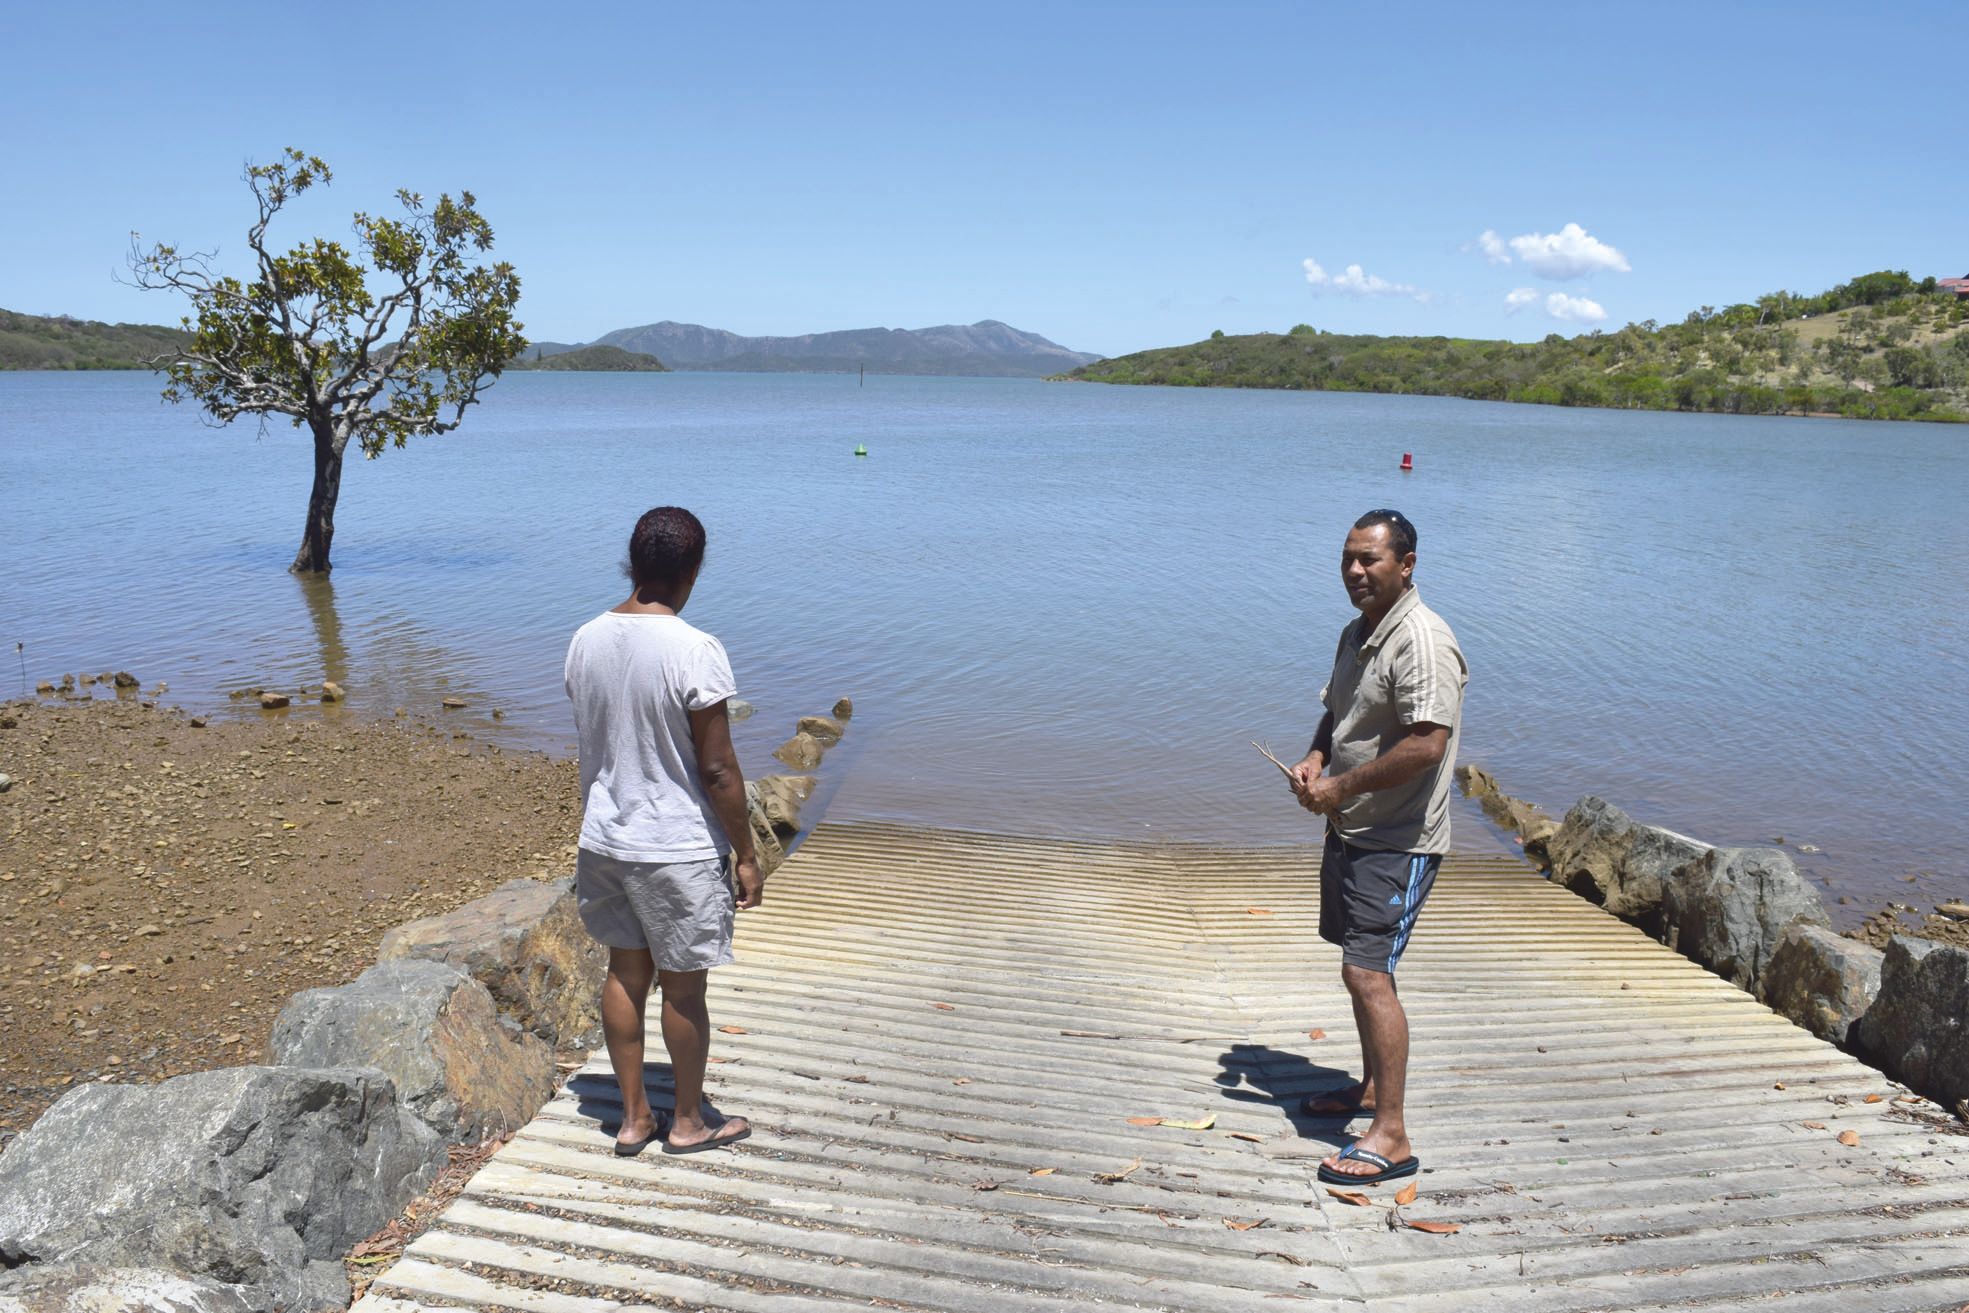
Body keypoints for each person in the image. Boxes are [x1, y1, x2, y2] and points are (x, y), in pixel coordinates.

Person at [564, 506, 764, 1156]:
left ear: (633, 560)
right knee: (682, 986)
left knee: (624, 973)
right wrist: (747, 850)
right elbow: (717, 767)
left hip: (604, 837)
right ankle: (685, 1121)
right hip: (673, 847)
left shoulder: (585, 637)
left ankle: (630, 1119)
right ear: (693, 567)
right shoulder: (694, 648)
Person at [1288, 508, 1466, 1187]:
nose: (1355, 571)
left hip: (1398, 838)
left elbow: (1426, 743)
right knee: (1356, 967)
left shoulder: (1421, 638)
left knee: (1369, 973)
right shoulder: (1358, 631)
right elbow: (1339, 712)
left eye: (1370, 559)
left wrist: (1342, 786)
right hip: (1353, 826)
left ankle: (1390, 1133)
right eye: (1347, 559)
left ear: (1407, 564)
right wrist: (1313, 757)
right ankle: (1367, 1090)